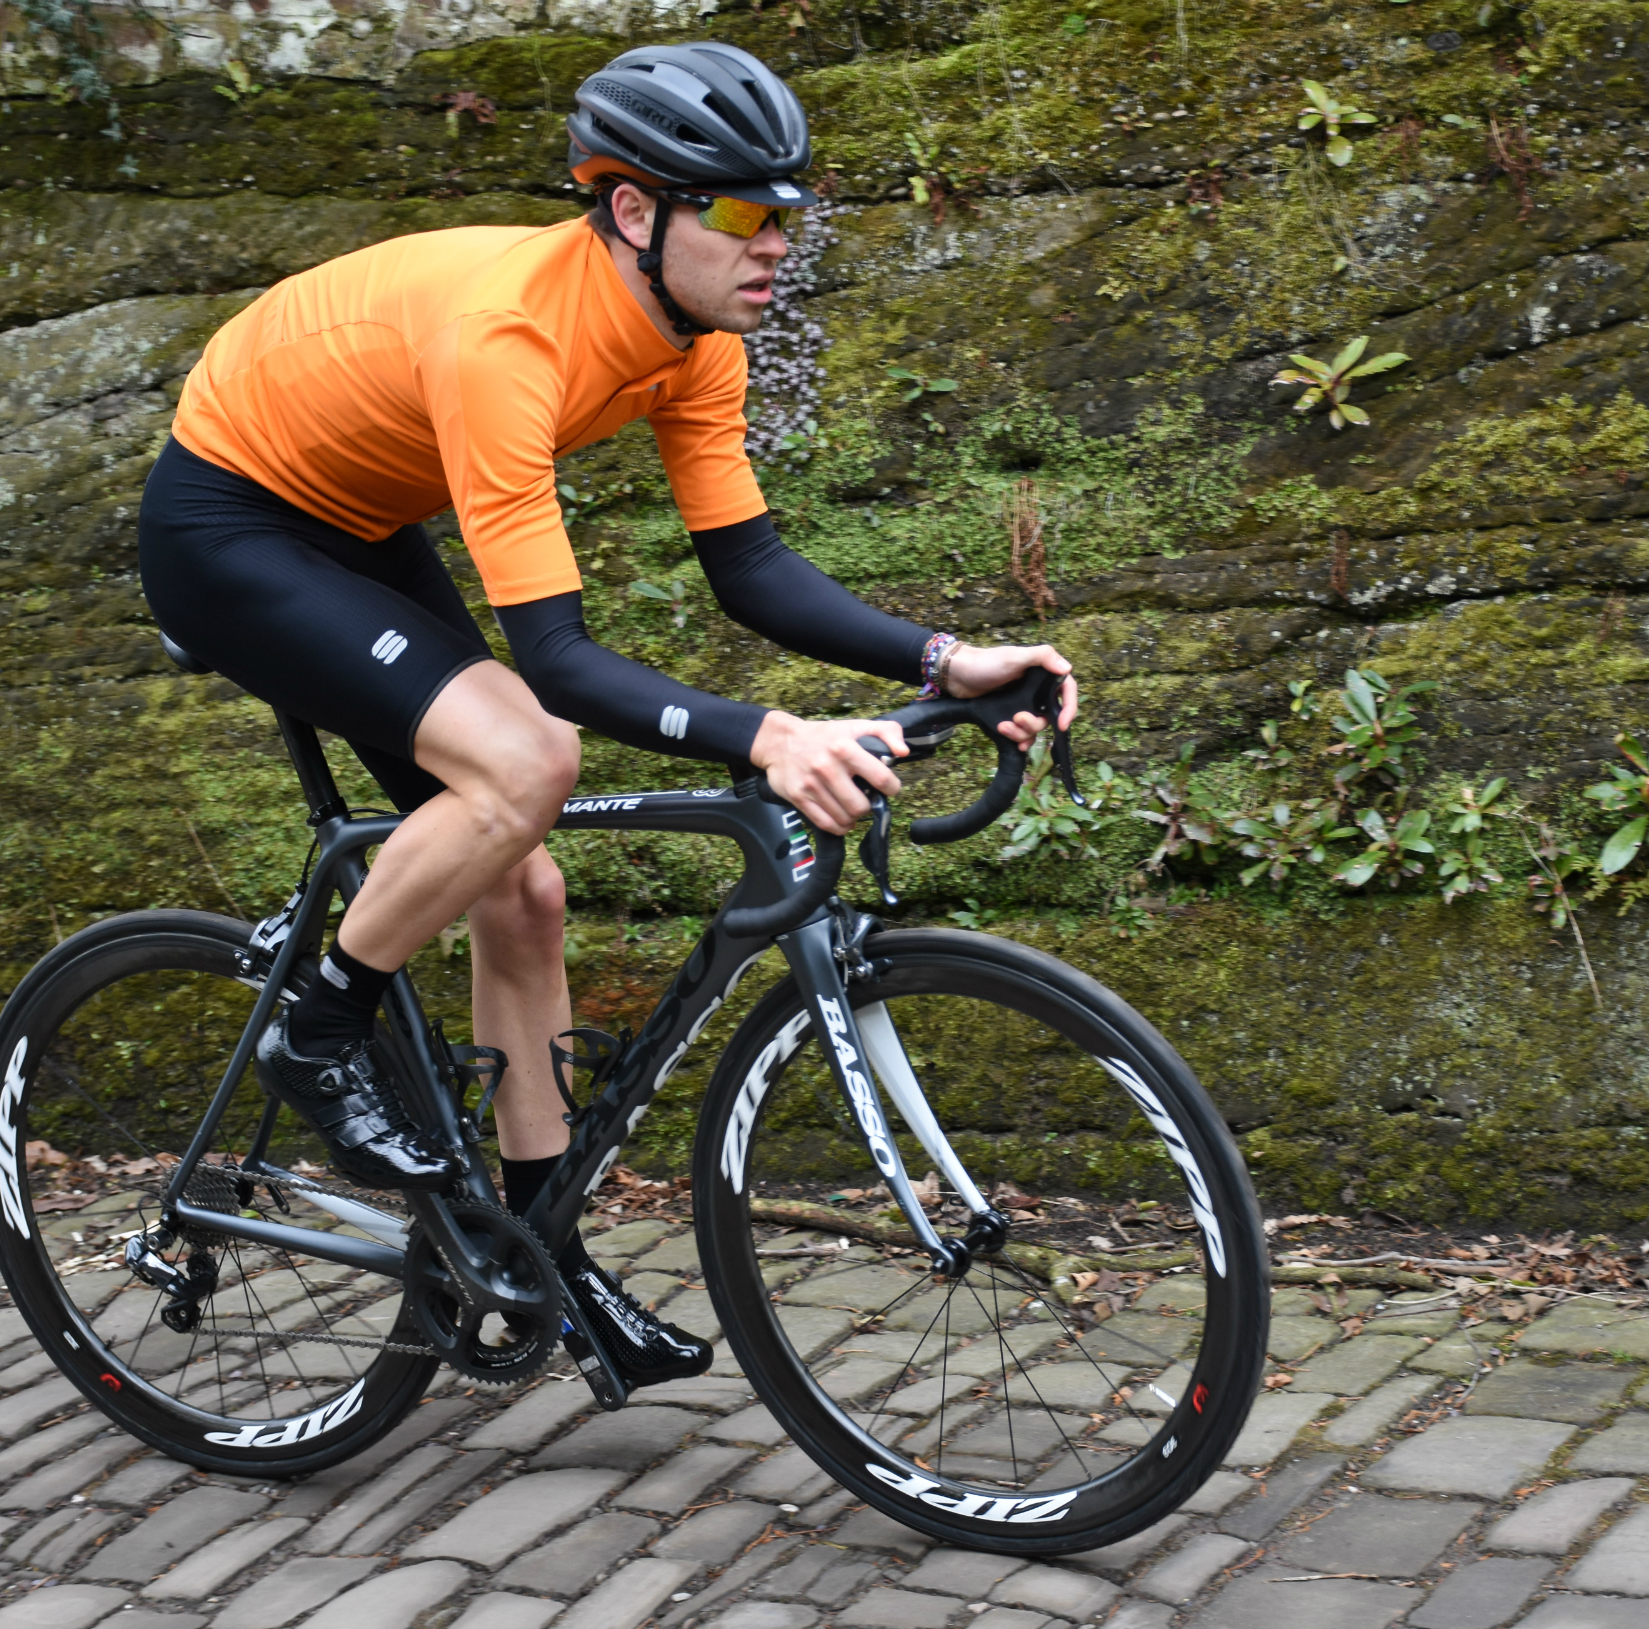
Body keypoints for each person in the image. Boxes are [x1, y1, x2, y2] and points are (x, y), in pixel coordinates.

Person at [136, 41, 1077, 1386]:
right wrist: (769, 736)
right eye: (745, 213)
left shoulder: (692, 336)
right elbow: (562, 665)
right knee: (530, 757)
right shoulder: (513, 335)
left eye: (790, 215)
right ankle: (322, 1026)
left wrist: (941, 658)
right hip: (232, 520)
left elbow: (745, 568)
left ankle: (535, 1254)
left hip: (358, 515)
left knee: (522, 894)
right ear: (635, 210)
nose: (777, 248)